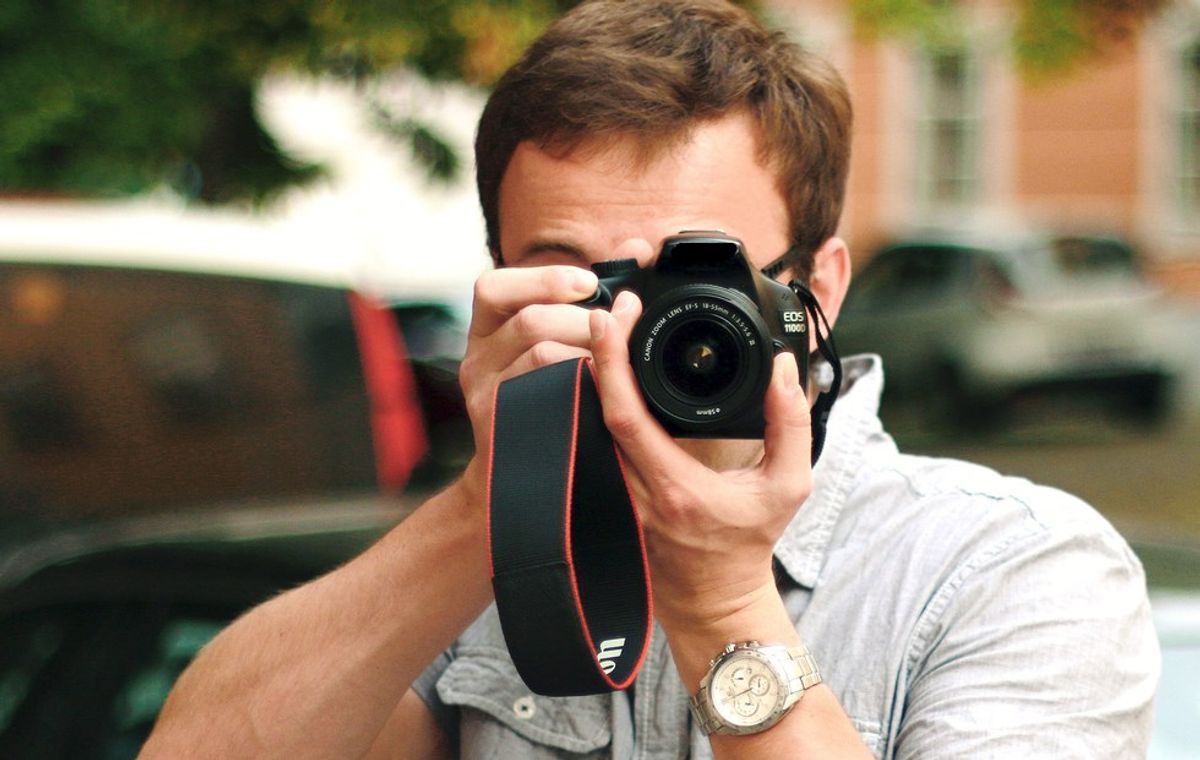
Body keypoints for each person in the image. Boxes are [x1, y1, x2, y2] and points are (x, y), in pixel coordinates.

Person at [140, 1, 1159, 758]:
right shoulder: (475, 578)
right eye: (588, 277)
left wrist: (720, 597)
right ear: (507, 283)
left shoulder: (1006, 571)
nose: (642, 324)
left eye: (693, 273)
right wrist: (484, 504)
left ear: (819, 290)